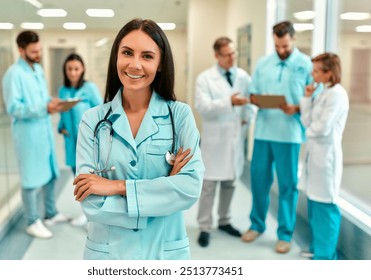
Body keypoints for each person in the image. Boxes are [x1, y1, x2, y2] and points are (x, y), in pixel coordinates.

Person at [73, 18, 205, 260]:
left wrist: (116, 186)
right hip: (108, 254)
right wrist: (164, 190)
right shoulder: (92, 121)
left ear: (161, 63)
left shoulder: (180, 116)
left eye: (147, 56)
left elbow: (189, 188)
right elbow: (91, 203)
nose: (135, 64)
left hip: (164, 252)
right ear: (116, 58)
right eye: (127, 53)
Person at [241, 21, 313, 254]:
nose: (281, 50)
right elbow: (253, 93)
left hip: (290, 135)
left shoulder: (306, 65)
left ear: (293, 39)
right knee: (259, 181)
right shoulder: (264, 63)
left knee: (287, 186)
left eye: (285, 46)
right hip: (263, 132)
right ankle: (257, 224)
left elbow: (314, 99)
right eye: (277, 45)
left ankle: (285, 234)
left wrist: (298, 108)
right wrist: (257, 99)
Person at [2, 30, 69, 239]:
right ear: (21, 50)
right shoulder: (13, 74)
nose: (38, 54)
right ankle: (32, 221)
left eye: (39, 50)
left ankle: (50, 213)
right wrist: (44, 108)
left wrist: (53, 101)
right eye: (34, 51)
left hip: (44, 130)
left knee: (51, 172)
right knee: (31, 180)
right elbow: (14, 108)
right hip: (28, 134)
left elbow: (41, 97)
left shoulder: (37, 69)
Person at [194, 37, 254, 247]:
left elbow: (251, 102)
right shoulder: (205, 78)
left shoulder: (244, 77)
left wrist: (248, 114)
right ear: (217, 55)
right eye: (227, 54)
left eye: (233, 53)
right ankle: (204, 226)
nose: (232, 58)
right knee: (208, 186)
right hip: (215, 141)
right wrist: (229, 102)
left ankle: (224, 221)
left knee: (230, 183)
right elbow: (203, 107)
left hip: (235, 139)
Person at [299, 53, 349, 260]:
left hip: (327, 158)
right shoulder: (322, 92)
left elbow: (321, 129)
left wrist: (309, 129)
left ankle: (325, 257)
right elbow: (307, 121)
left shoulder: (337, 95)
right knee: (314, 205)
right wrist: (307, 97)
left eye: (317, 70)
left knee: (326, 208)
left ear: (329, 72)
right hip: (315, 156)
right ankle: (317, 248)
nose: (313, 74)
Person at [58, 53, 103, 227]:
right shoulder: (63, 90)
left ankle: (94, 215)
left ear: (82, 69)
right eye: (69, 69)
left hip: (88, 143)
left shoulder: (89, 88)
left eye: (76, 69)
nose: (73, 73)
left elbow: (100, 111)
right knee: (77, 178)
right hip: (70, 142)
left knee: (90, 178)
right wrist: (61, 127)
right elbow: (63, 114)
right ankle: (86, 212)